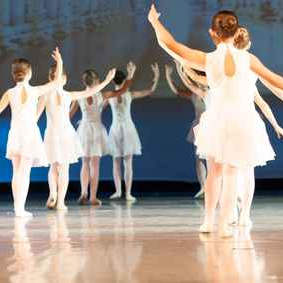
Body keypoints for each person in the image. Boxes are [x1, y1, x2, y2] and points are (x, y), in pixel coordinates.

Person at [148, 6, 283, 237]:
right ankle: (222, 226)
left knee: (215, 172)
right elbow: (277, 81)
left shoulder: (207, 59)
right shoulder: (248, 59)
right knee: (232, 172)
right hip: (243, 120)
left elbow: (169, 45)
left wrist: (154, 22)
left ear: (213, 33)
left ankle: (209, 221)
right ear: (236, 30)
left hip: (218, 120)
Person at [37, 66, 117, 210]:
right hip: (66, 133)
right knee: (65, 168)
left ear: (50, 79)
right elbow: (92, 91)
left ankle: (53, 194)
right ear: (65, 79)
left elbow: (35, 116)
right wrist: (107, 80)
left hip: (51, 133)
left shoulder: (45, 95)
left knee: (53, 167)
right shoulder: (69, 95)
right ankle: (60, 202)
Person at [0, 47, 63, 217]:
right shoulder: (34, 91)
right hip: (28, 134)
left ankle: (18, 207)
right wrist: (60, 62)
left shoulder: (10, 93)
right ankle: (19, 209)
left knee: (16, 171)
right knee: (24, 171)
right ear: (29, 74)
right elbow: (57, 82)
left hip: (15, 133)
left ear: (15, 75)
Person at [69, 63, 135, 206]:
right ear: (97, 81)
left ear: (84, 82)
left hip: (84, 130)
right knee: (95, 165)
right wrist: (130, 76)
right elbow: (122, 90)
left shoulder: (78, 96)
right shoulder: (101, 95)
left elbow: (69, 115)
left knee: (84, 164)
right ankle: (93, 197)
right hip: (97, 131)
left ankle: (83, 193)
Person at [109, 62, 160, 202]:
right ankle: (127, 193)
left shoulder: (111, 96)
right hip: (127, 129)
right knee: (127, 162)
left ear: (113, 81)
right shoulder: (128, 94)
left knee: (116, 162)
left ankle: (119, 191)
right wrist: (156, 76)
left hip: (116, 129)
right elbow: (150, 91)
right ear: (124, 80)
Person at [165, 64, 207, 198]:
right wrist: (168, 76)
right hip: (199, 127)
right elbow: (178, 91)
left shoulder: (213, 91)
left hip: (212, 126)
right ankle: (203, 187)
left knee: (213, 158)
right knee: (199, 158)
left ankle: (215, 187)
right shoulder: (195, 93)